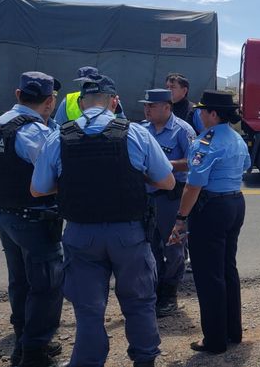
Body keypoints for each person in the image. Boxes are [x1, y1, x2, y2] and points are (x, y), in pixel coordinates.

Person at [31, 75, 175, 367]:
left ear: (82, 103)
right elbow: (168, 183)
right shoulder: (136, 133)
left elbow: (38, 189)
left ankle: (88, 361)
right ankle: (145, 359)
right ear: (114, 101)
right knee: (138, 302)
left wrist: (74, 181)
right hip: (129, 234)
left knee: (88, 309)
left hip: (81, 234)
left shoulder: (59, 135)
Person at [0, 72, 64, 367]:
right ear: (50, 102)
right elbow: (52, 173)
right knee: (47, 286)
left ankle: (23, 342)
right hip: (34, 219)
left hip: (4, 215)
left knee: (20, 282)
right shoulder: (34, 133)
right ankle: (34, 352)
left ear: (18, 94)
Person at [168, 90, 250, 354]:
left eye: (203, 111)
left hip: (211, 207)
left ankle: (214, 340)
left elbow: (193, 186)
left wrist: (181, 218)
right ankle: (232, 332)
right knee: (227, 268)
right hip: (235, 202)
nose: (199, 115)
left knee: (208, 275)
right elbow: (245, 166)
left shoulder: (206, 141)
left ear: (213, 114)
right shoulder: (237, 138)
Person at [138, 89, 196, 317]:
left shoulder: (183, 130)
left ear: (166, 107)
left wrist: (163, 164)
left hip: (172, 198)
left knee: (173, 248)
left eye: (151, 106)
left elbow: (193, 162)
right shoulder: (142, 130)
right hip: (148, 198)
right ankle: (155, 289)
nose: (147, 110)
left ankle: (169, 293)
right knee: (149, 247)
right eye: (146, 106)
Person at [54, 66, 126, 125]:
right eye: (82, 81)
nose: (84, 83)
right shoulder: (68, 100)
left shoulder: (111, 98)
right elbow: (58, 125)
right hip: (77, 139)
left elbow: (122, 122)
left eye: (88, 81)